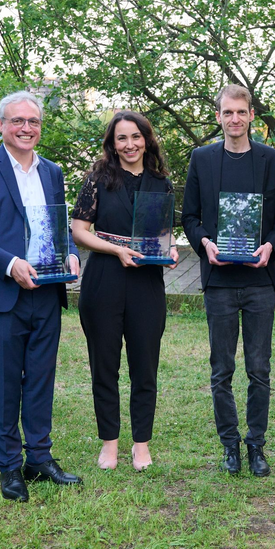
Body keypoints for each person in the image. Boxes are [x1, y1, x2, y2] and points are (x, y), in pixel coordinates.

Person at [0, 91, 81, 502]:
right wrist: (10, 264)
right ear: (1, 125)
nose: (27, 128)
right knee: (7, 383)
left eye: (34, 121)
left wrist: (73, 255)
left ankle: (38, 459)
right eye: (17, 121)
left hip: (46, 291)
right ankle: (9, 468)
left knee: (41, 378)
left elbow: (59, 227)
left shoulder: (52, 171)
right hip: (2, 293)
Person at [181, 84, 275, 477]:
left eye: (241, 112)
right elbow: (189, 218)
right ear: (218, 117)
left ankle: (256, 446)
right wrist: (205, 243)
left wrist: (271, 248)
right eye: (227, 113)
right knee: (221, 370)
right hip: (220, 282)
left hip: (260, 280)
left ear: (251, 117)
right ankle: (230, 446)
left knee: (259, 369)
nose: (234, 119)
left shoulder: (271, 160)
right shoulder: (202, 159)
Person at [71, 111, 179, 472]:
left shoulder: (161, 183)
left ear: (146, 139)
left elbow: (164, 234)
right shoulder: (97, 179)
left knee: (144, 368)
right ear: (112, 143)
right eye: (122, 138)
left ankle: (141, 444)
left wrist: (172, 249)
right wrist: (115, 249)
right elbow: (80, 230)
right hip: (104, 279)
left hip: (147, 283)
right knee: (104, 366)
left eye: (136, 136)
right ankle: (109, 444)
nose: (130, 144)